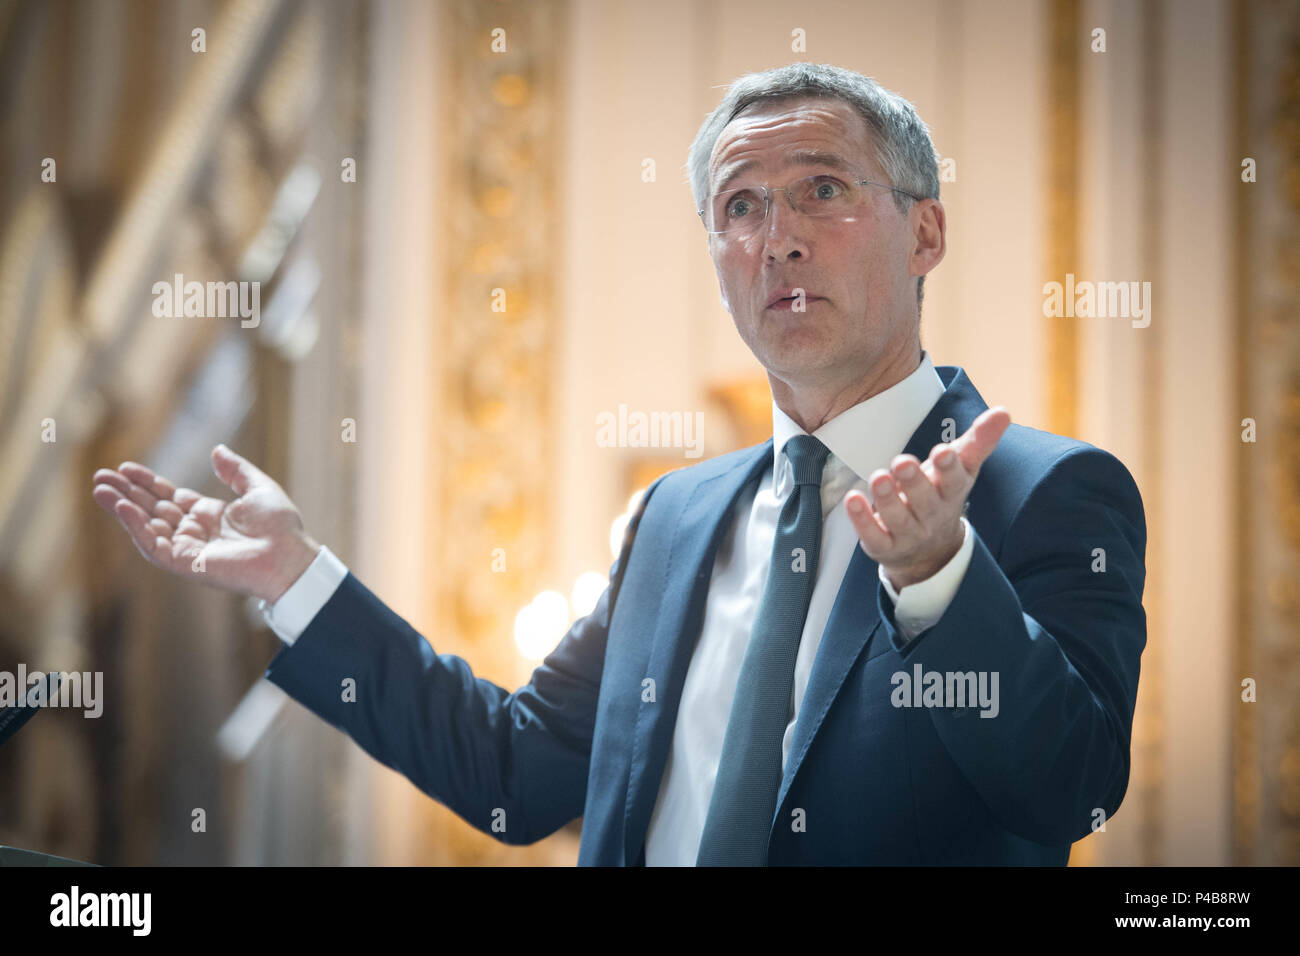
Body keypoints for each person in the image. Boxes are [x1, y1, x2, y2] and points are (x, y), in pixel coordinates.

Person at [92, 62, 1146, 865]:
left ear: (925, 233)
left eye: (821, 189)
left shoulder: (1049, 492)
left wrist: (938, 578)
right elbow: (514, 771)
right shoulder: (674, 518)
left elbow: (1070, 790)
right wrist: (296, 581)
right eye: (739, 206)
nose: (777, 238)